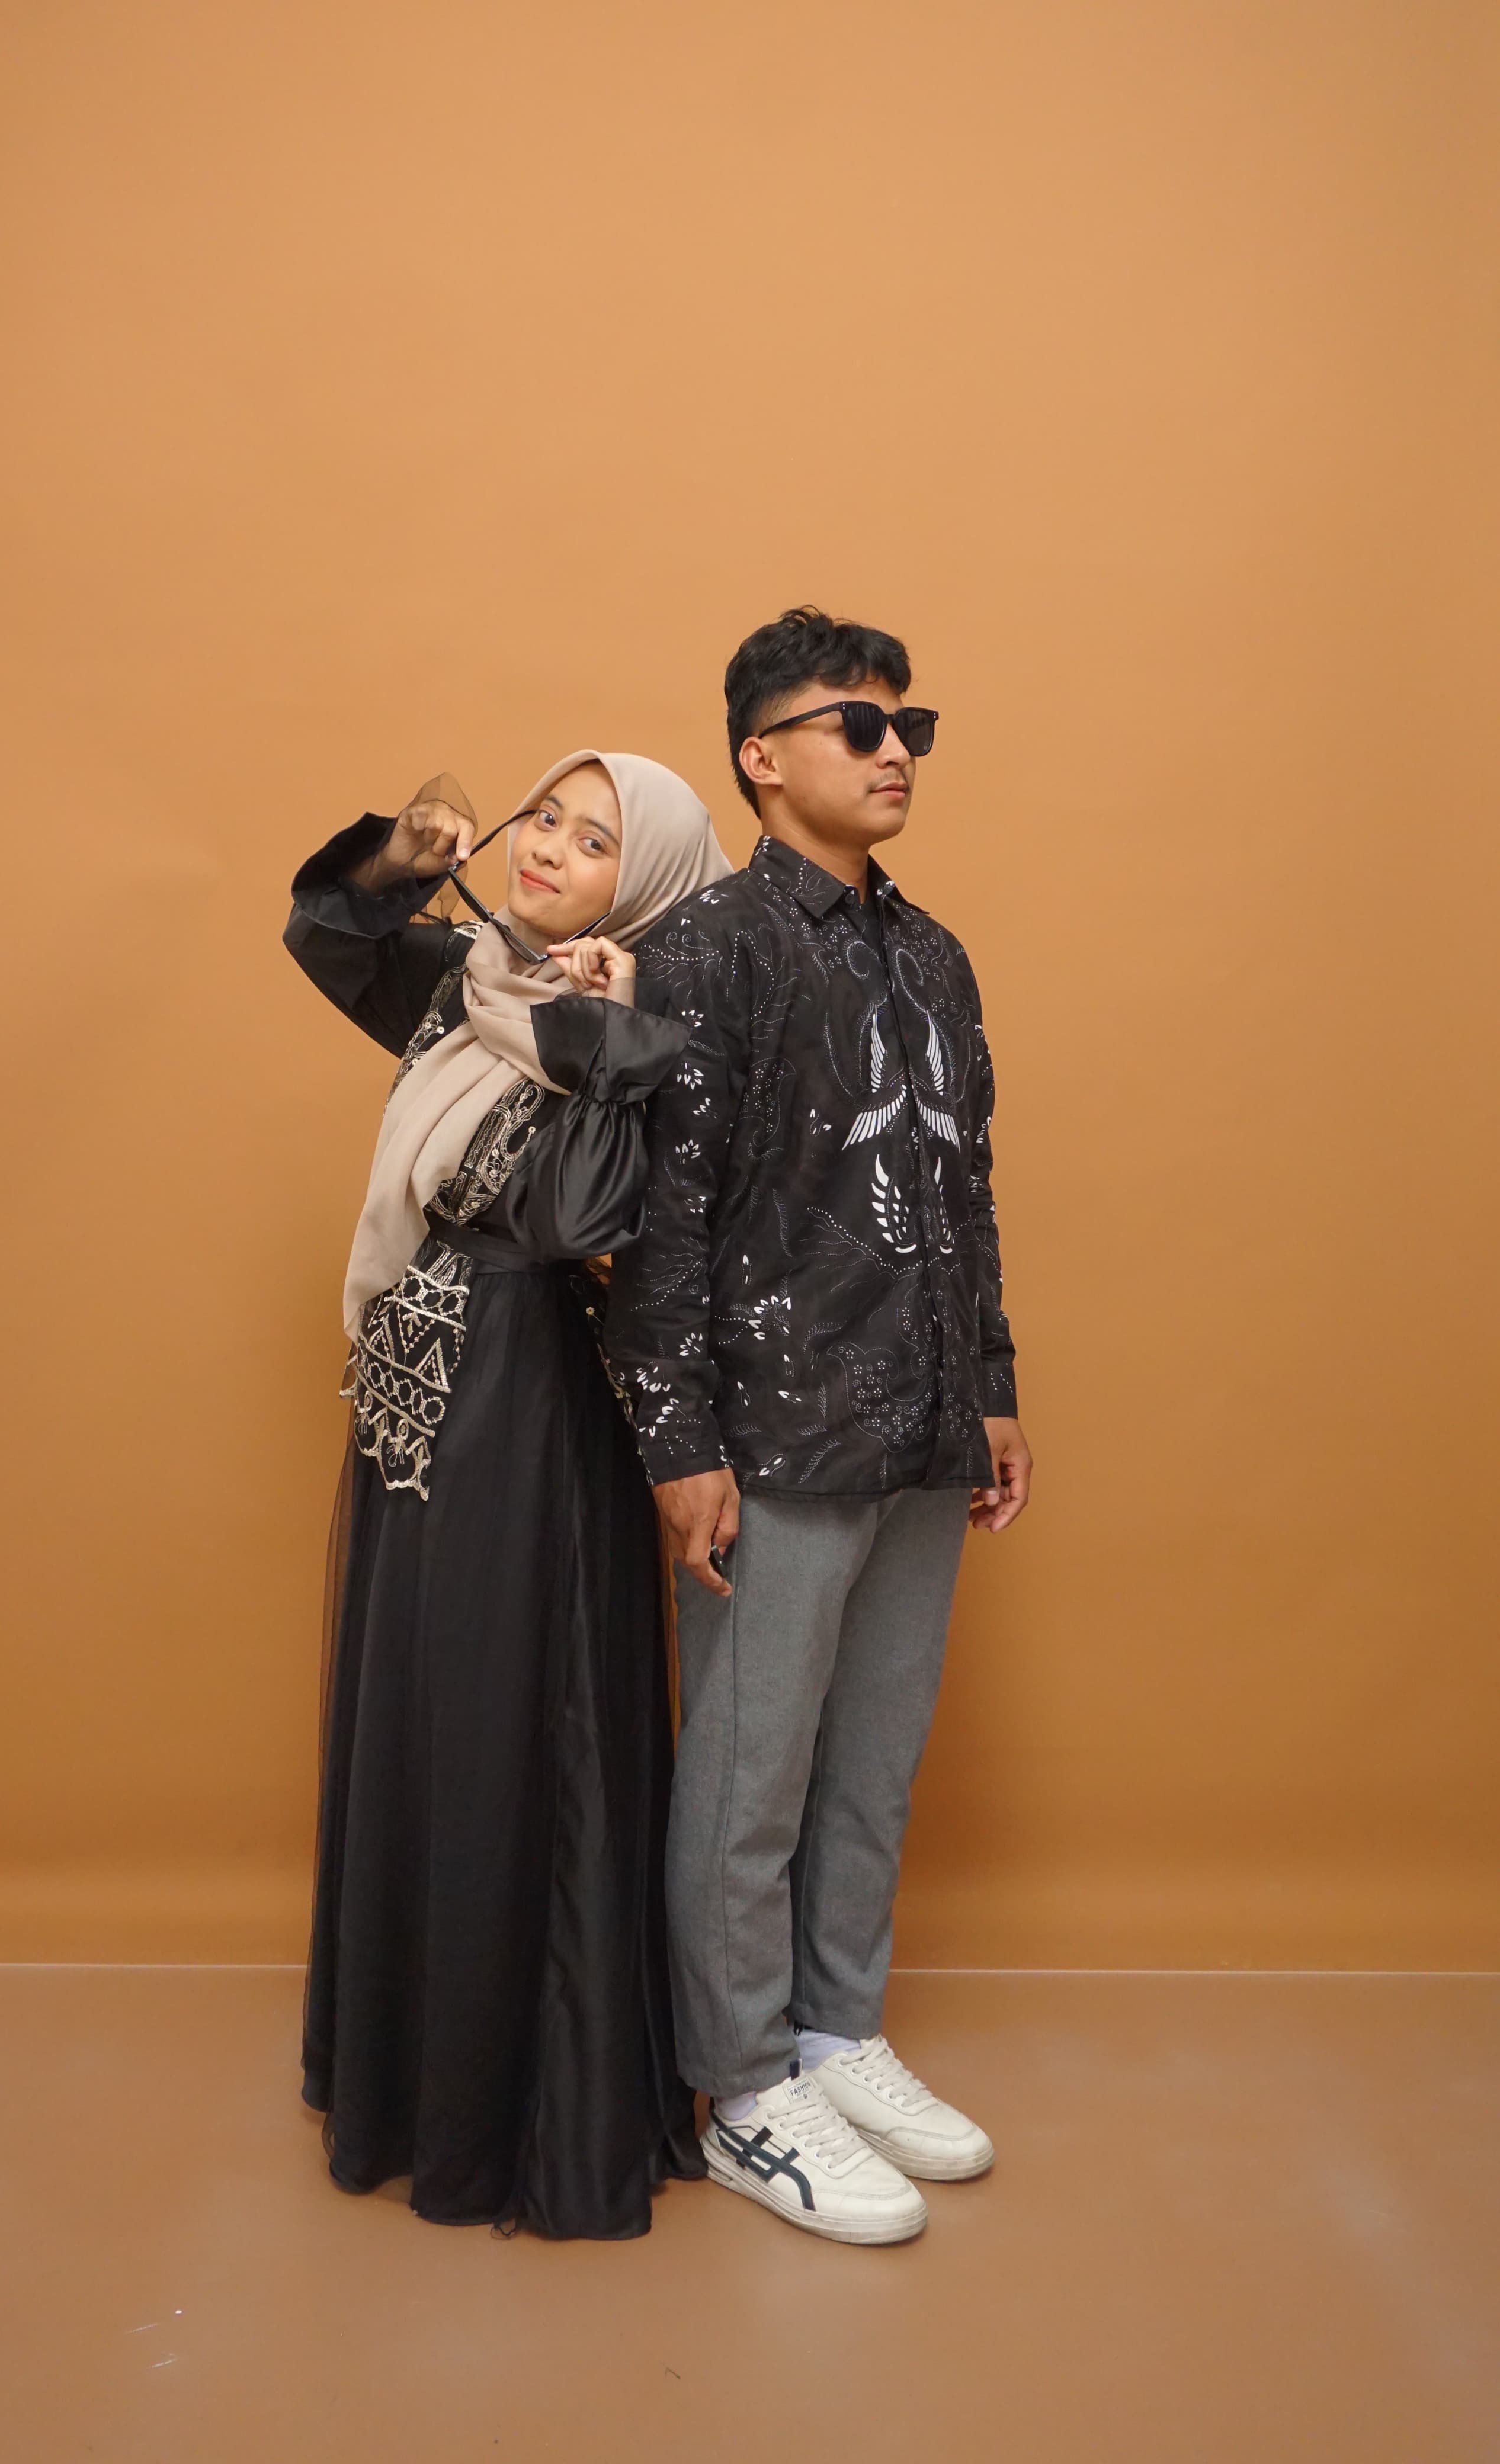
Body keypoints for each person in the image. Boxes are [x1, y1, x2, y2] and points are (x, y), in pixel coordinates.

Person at [606, 609, 1033, 2246]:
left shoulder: (934, 957)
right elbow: (663, 1221)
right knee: (749, 1773)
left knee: (872, 1758)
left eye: (907, 723)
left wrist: (989, 1385)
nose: (892, 749)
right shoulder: (707, 951)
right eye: (856, 724)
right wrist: (676, 1441)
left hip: (920, 1424)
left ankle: (836, 2034)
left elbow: (961, 1186)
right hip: (772, 1433)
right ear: (760, 757)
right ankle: (742, 2089)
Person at [286, 749, 730, 2240]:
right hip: (412, 1395)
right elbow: (327, 937)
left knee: (499, 1717)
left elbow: (577, 1213)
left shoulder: (645, 1040)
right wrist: (403, 861)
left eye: (593, 841)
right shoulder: (469, 983)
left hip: (527, 1408)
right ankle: (402, 2073)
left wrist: (604, 1026)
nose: (547, 848)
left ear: (643, 889)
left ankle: (496, 2107)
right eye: (545, 815)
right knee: (415, 1699)